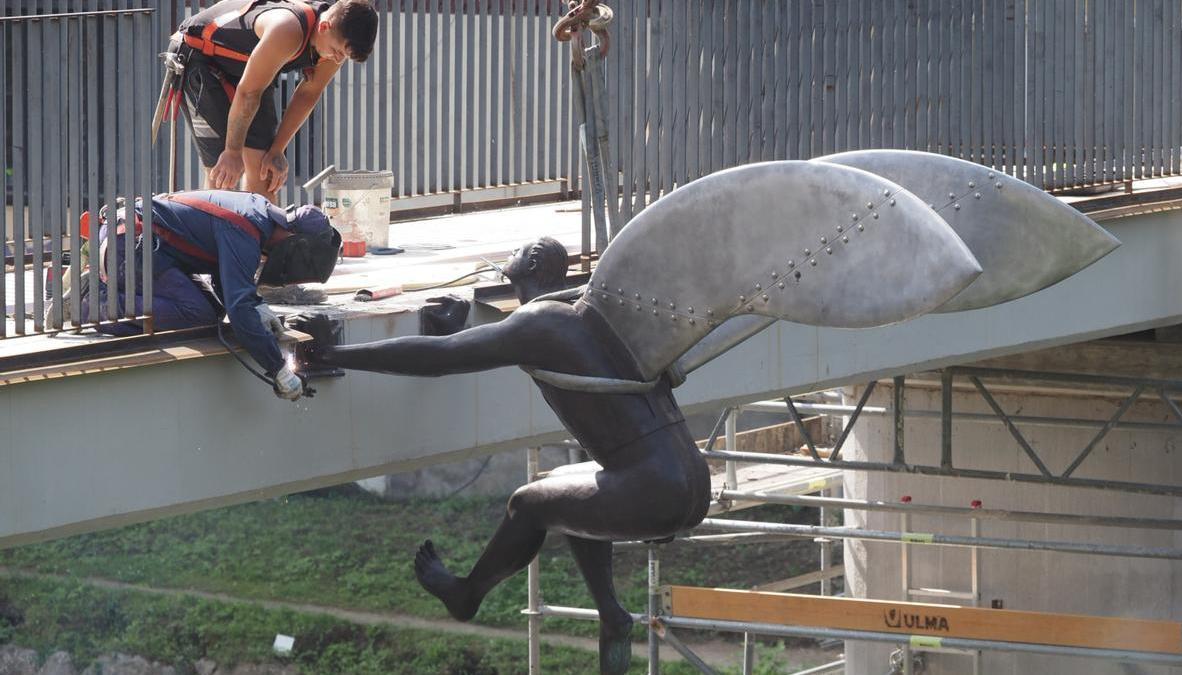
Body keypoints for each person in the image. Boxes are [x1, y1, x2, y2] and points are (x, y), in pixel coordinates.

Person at [293, 237, 711, 675]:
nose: (507, 255)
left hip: (652, 491)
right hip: (691, 481)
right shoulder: (585, 310)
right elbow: (462, 347)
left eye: (517, 250)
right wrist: (454, 330)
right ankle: (611, 613)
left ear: (530, 263)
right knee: (568, 485)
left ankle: (467, 594)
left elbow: (439, 360)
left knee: (528, 504)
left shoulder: (539, 323)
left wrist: (331, 352)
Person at [80, 190, 342, 402]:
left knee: (212, 314)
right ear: (295, 240)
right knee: (197, 315)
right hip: (130, 245)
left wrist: (256, 305)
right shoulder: (244, 230)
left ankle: (108, 291)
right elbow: (239, 312)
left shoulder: (256, 215)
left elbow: (226, 283)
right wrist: (278, 369)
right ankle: (94, 304)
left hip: (142, 243)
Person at [172, 0, 378, 199]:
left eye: (344, 56)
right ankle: (214, 231)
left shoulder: (333, 41)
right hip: (200, 56)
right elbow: (248, 93)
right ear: (324, 26)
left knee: (266, 170)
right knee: (224, 172)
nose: (337, 60)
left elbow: (308, 93)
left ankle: (261, 233)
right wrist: (233, 151)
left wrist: (277, 149)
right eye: (337, 51)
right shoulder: (288, 29)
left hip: (246, 68)